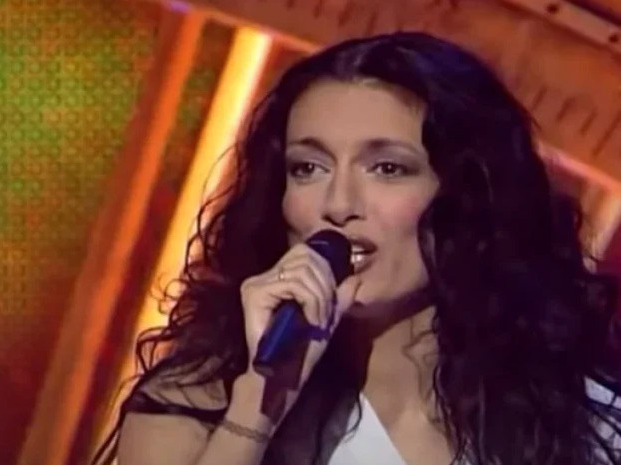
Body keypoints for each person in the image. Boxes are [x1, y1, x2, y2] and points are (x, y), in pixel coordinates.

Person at [97, 32, 621, 465]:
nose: (339, 204)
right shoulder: (192, 407)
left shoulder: (581, 415)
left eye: (387, 168)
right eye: (309, 168)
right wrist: (259, 400)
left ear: (468, 192)